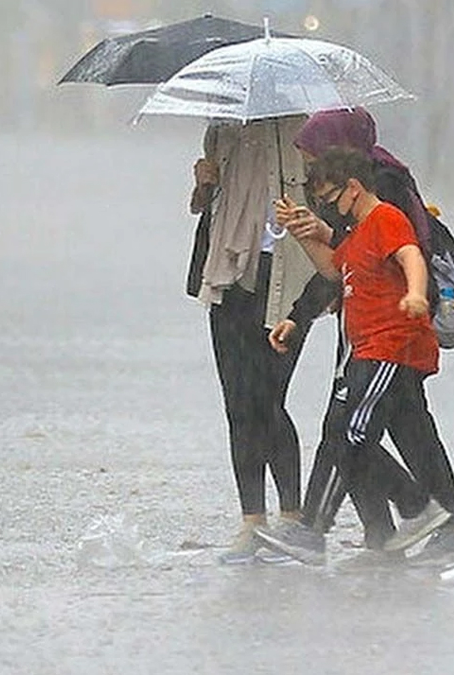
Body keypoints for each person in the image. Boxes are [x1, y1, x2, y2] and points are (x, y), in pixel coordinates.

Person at [264, 108, 454, 566]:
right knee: (405, 432)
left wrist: (416, 296)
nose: (311, 178)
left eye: (315, 165)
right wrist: (300, 312)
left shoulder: (385, 192)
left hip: (392, 336)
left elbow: (400, 254)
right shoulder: (349, 198)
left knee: (348, 433)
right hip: (369, 334)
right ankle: (405, 532)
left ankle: (338, 527)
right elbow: (342, 263)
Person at [188, 117, 320, 564]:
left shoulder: (304, 132)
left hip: (288, 278)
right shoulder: (222, 129)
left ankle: (292, 516)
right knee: (237, 404)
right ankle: (252, 522)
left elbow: (330, 207)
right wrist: (204, 185)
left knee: (268, 399)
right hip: (229, 276)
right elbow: (207, 209)